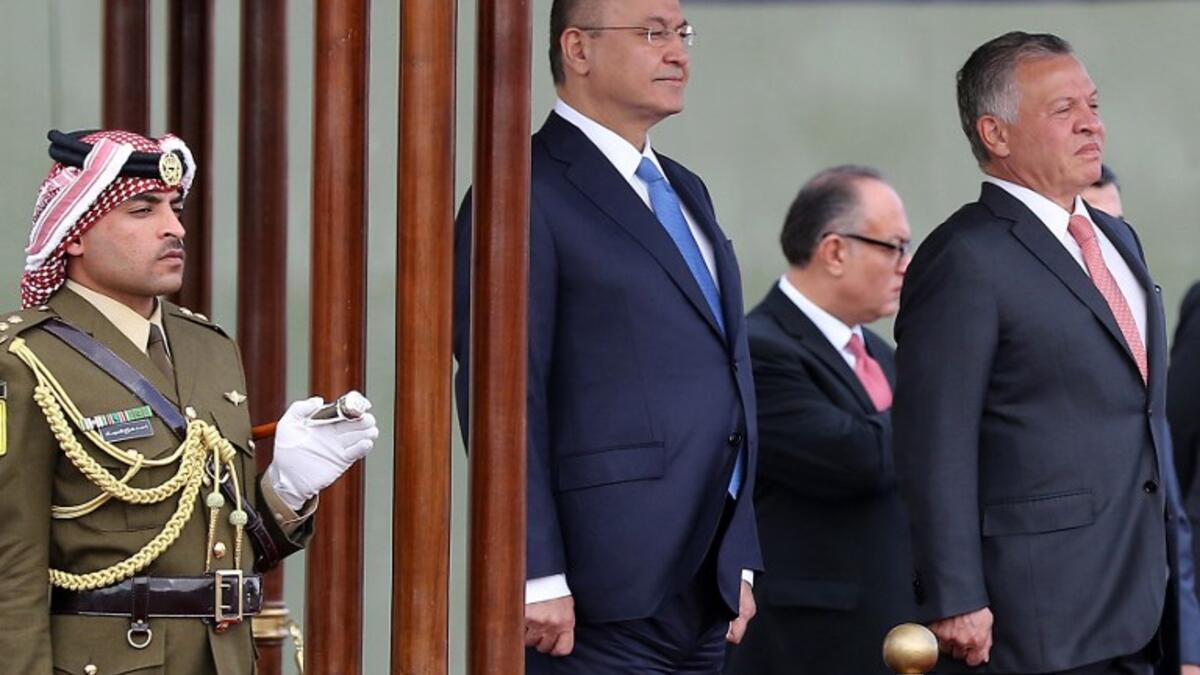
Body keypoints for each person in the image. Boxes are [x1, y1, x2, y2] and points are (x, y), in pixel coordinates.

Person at [452, 0, 762, 671]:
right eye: (653, 33)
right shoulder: (522, 189)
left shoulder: (686, 188)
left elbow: (724, 374)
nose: (678, 52)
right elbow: (503, 390)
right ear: (577, 48)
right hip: (592, 592)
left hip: (701, 585)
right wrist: (534, 569)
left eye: (682, 33)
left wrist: (739, 557)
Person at [0, 129, 379, 674]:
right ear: (75, 231)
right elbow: (11, 574)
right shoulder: (25, 359)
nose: (174, 228)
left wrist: (285, 491)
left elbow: (215, 546)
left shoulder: (209, 346)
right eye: (142, 210)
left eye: (176, 209)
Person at [893, 32, 1200, 675]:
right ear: (995, 134)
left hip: (1145, 605)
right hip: (1034, 616)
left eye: (1093, 104)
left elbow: (1146, 429)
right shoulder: (965, 256)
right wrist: (955, 596)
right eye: (1065, 110)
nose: (1092, 123)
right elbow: (934, 439)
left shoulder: (1117, 238)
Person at [723, 166, 917, 675]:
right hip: (811, 642)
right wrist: (941, 402)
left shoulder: (879, 352)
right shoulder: (761, 350)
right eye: (894, 246)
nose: (906, 264)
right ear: (834, 251)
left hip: (893, 634)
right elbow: (859, 458)